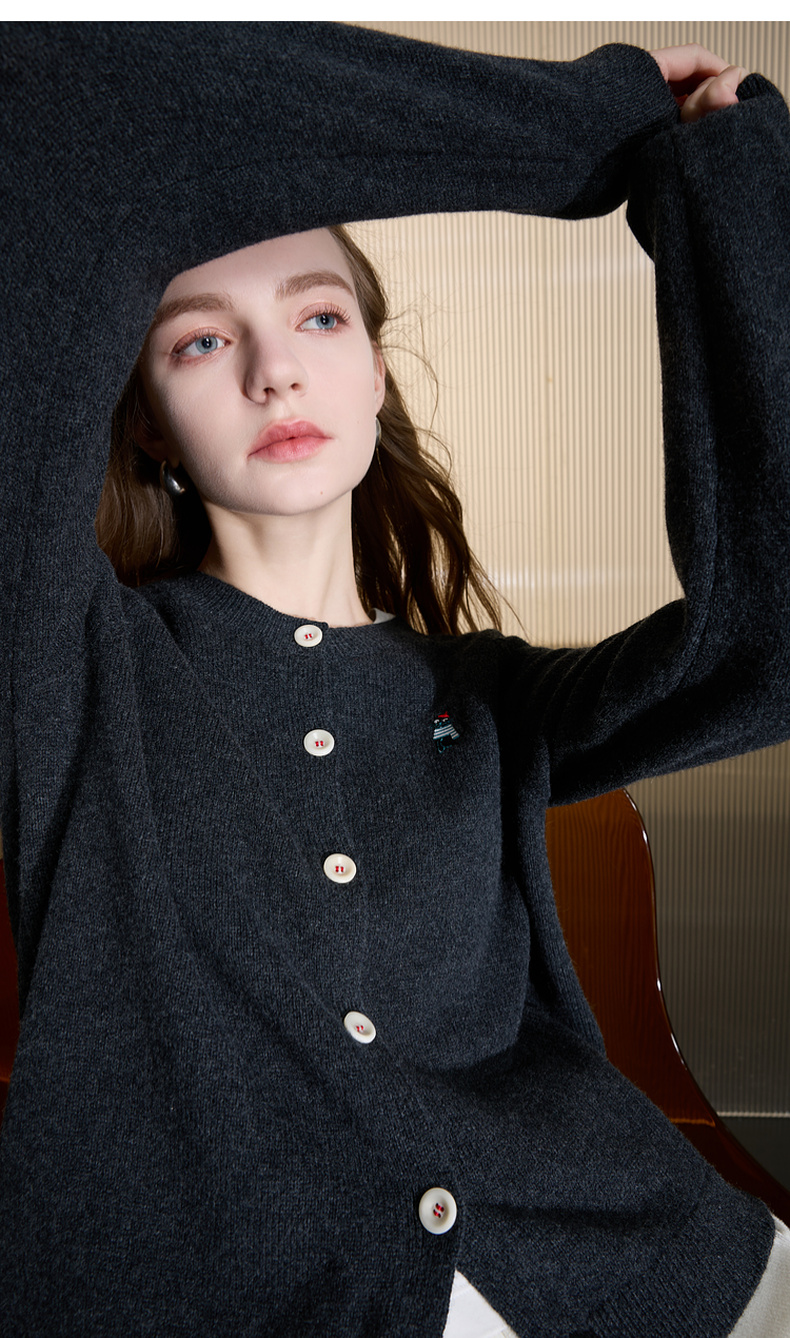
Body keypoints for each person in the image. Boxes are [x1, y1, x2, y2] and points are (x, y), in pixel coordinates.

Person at [0, 22, 789, 1338]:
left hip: (650, 1270)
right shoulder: (68, 666)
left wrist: (720, 189)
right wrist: (581, 121)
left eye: (319, 316)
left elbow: (768, 644)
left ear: (375, 369)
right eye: (199, 342)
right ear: (145, 422)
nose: (275, 370)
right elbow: (52, 117)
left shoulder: (488, 703)